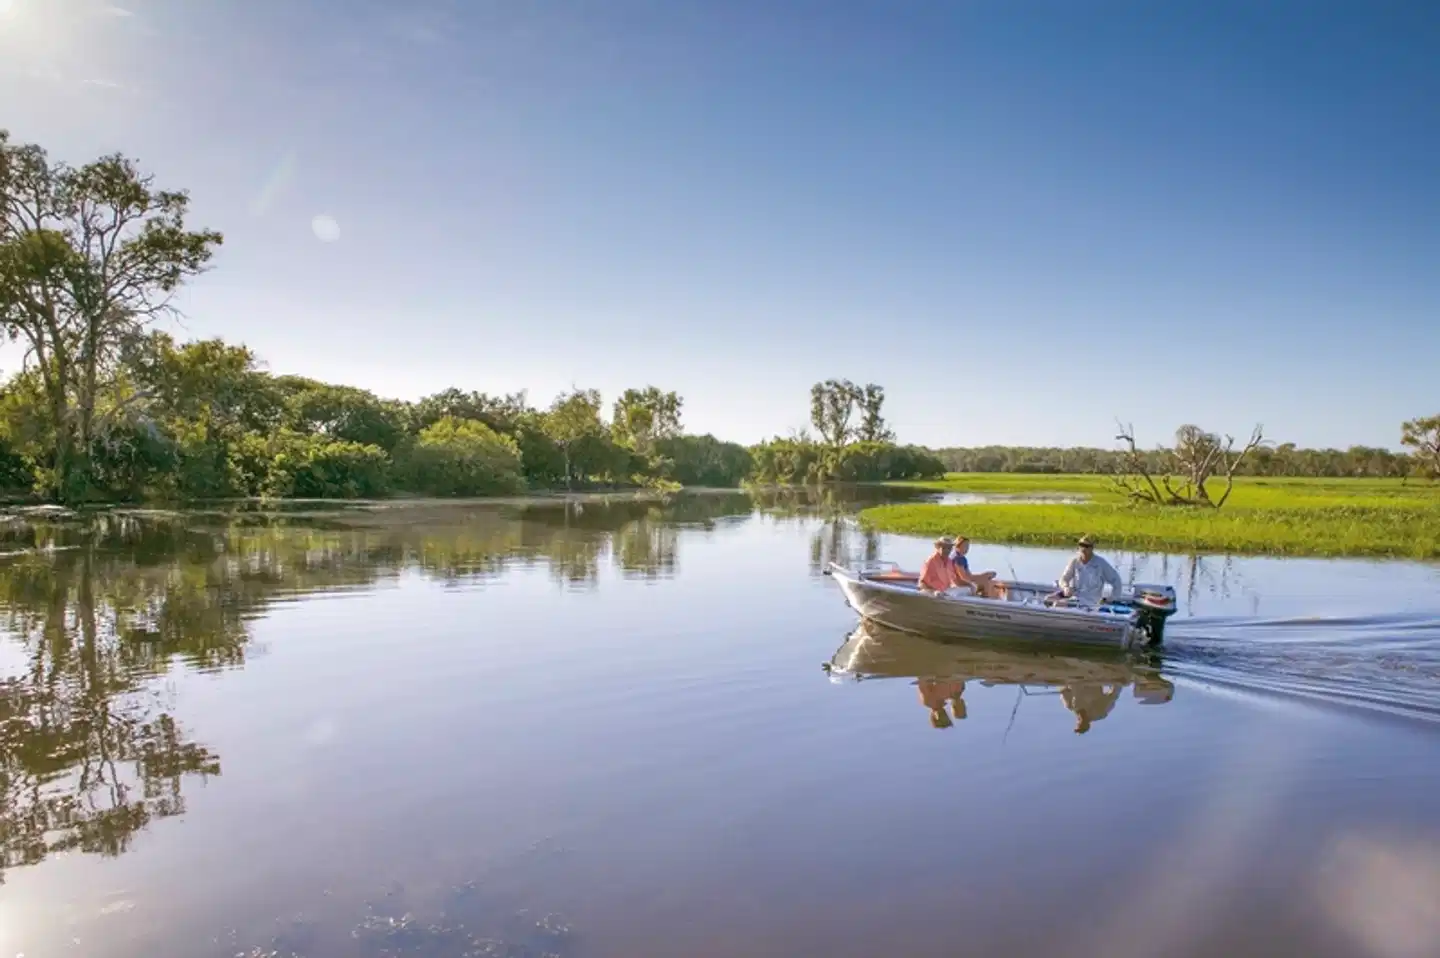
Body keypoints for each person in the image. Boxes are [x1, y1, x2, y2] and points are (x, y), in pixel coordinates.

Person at [1055, 535, 1123, 607]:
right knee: (1051, 600)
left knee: (1058, 604)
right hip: (1075, 599)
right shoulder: (1074, 561)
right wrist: (1066, 587)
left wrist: (1111, 598)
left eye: (1086, 546)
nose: (1083, 548)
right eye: (1081, 545)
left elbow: (1116, 580)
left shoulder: (1101, 563)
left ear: (1092, 548)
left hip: (1092, 602)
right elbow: (1064, 578)